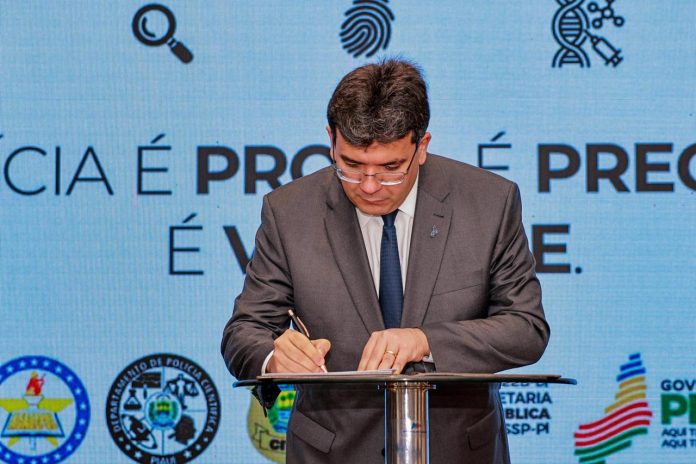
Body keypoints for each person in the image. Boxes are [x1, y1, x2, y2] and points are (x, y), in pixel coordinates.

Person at [221, 58, 549, 463]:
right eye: (351, 166)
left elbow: (526, 328)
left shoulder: (489, 202)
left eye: (391, 168)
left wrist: (425, 340)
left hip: (457, 450)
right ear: (331, 140)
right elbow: (244, 331)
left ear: (421, 147)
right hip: (332, 453)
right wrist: (274, 358)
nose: (370, 186)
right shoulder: (289, 212)